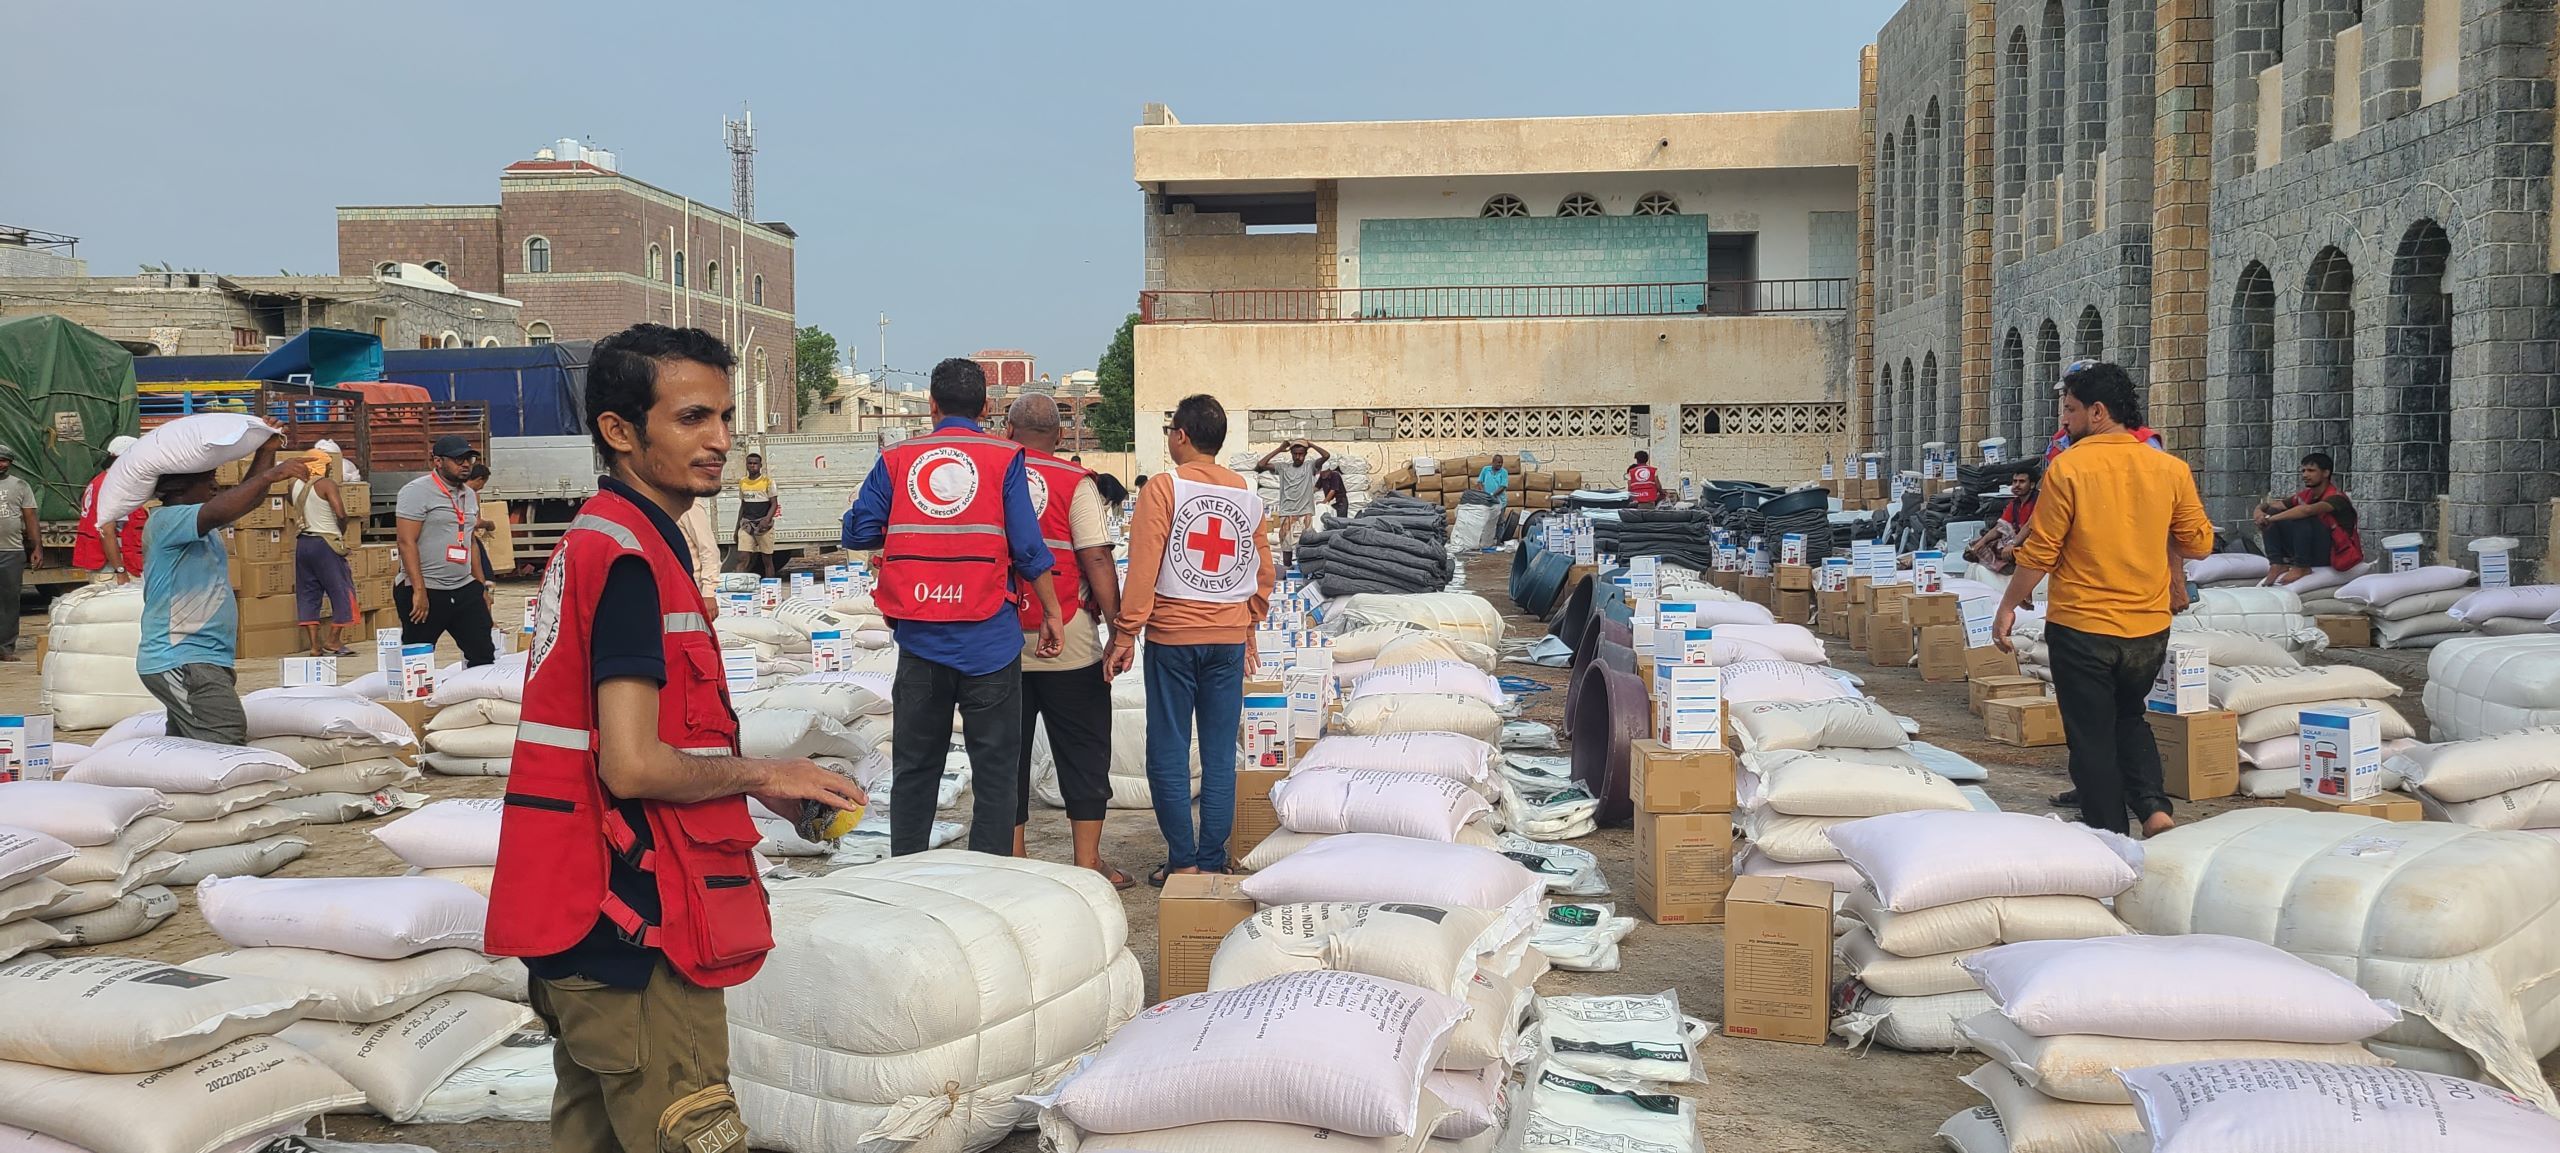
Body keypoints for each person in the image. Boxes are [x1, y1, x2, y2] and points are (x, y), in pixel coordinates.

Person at [487, 323, 865, 1153]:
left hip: (580, 918)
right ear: (621, 432)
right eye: (692, 418)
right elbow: (632, 764)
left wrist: (759, 782)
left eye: (725, 418)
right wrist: (769, 771)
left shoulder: (606, 538)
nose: (721, 441)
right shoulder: (628, 561)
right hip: (635, 926)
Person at [841, 357, 1063, 856]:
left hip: (921, 642)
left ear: (932, 404)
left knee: (915, 771)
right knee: (997, 775)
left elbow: (857, 531)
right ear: (985, 407)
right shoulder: (1006, 459)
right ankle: (983, 884)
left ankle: (910, 879)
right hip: (990, 643)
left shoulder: (898, 459)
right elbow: (1028, 549)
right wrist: (1050, 611)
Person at [1992, 362, 2213, 838]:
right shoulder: (2170, 469)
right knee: (2129, 716)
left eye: (2070, 410)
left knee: (2090, 737)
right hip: (2147, 629)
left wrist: (2009, 604)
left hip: (2083, 627)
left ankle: (2110, 837)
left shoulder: (2069, 468)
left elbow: (2043, 550)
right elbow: (2198, 542)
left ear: (2097, 412)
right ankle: (2154, 809)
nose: (2064, 421)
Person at [1107, 394, 1276, 886]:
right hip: (1226, 639)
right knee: (1221, 753)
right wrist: (1248, 627)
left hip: (1173, 640)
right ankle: (1212, 859)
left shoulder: (1164, 488)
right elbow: (1261, 570)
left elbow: (1144, 567)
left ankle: (1182, 860)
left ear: (1180, 435)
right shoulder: (1247, 492)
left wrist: (1125, 632)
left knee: (1169, 749)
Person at [1004, 394, 1130, 888]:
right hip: (1070, 636)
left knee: (1006, 753)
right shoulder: (1074, 483)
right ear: (1060, 438)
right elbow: (1096, 558)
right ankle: (1087, 862)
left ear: (1009, 430)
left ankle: (1015, 861)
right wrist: (1120, 629)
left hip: (1001, 637)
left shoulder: (995, 474)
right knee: (1083, 748)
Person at [134, 426, 308, 740]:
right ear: (180, 490)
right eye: (208, 481)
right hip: (182, 658)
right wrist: (271, 475)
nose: (216, 487)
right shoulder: (169, 520)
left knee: (193, 748)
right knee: (225, 735)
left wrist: (266, 451)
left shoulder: (196, 523)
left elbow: (245, 501)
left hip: (199, 658)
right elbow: (227, 504)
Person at [396, 435, 498, 667]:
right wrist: (419, 591)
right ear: (438, 461)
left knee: (483, 654)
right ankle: (416, 703)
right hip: (428, 589)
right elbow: (405, 541)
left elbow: (471, 541)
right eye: (458, 459)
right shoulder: (416, 492)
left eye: (469, 459)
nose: (466, 464)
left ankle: (479, 701)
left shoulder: (470, 495)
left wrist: (480, 586)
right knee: (417, 661)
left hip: (463, 586)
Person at [291, 441, 359, 657]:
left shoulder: (293, 485)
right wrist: (341, 531)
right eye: (327, 465)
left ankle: (314, 646)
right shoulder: (326, 484)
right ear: (320, 467)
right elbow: (340, 513)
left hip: (303, 543)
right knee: (342, 590)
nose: (330, 469)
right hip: (325, 543)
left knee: (308, 593)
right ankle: (333, 641)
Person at [2256, 452, 2362, 584]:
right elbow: (2274, 505)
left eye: (2311, 471)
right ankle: (2277, 563)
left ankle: (2302, 567)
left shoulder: (2337, 498)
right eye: (2303, 471)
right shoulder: (2306, 495)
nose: (2305, 475)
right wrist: (2259, 511)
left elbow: (2307, 510)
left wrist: (2270, 518)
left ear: (2326, 473)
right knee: (2274, 511)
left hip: (2334, 552)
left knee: (2301, 517)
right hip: (2311, 548)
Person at [75, 435, 146, 583]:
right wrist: (120, 571)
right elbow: (106, 532)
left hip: (109, 568)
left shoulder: (99, 481)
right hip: (112, 571)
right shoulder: (113, 486)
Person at [1256, 439, 1329, 567]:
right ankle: (1287, 570)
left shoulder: (1309, 466)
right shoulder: (1284, 468)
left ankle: (1306, 571)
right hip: (1287, 513)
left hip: (1305, 513)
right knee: (1286, 548)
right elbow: (1261, 465)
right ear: (1291, 454)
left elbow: (1326, 455)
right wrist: (1279, 449)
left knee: (1307, 546)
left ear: (1305, 454)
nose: (1297, 457)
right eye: (1295, 454)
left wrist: (1311, 444)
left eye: (1301, 454)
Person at [1963, 461, 2044, 576]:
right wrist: (1981, 542)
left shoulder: (2040, 501)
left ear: (2031, 485)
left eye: (2022, 482)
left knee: (2009, 549)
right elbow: (2000, 526)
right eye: (2014, 481)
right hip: (2019, 539)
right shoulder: (2015, 503)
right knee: (1976, 546)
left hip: (2037, 542)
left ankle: (2007, 565)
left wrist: (2013, 544)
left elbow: (2030, 526)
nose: (2016, 485)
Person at [0, 445, 40, 660]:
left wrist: (37, 547)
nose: (1, 464)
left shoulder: (20, 485)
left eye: (4, 460)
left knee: (9, 601)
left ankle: (6, 648)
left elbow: (30, 518)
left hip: (11, 552)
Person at [733, 453, 779, 578]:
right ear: (746, 465)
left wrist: (767, 519)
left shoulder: (768, 482)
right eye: (750, 463)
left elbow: (774, 504)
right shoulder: (743, 482)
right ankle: (738, 586)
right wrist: (737, 528)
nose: (752, 466)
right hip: (747, 524)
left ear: (760, 465)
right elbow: (743, 505)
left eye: (755, 463)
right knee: (742, 558)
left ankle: (771, 588)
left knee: (767, 559)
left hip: (764, 526)